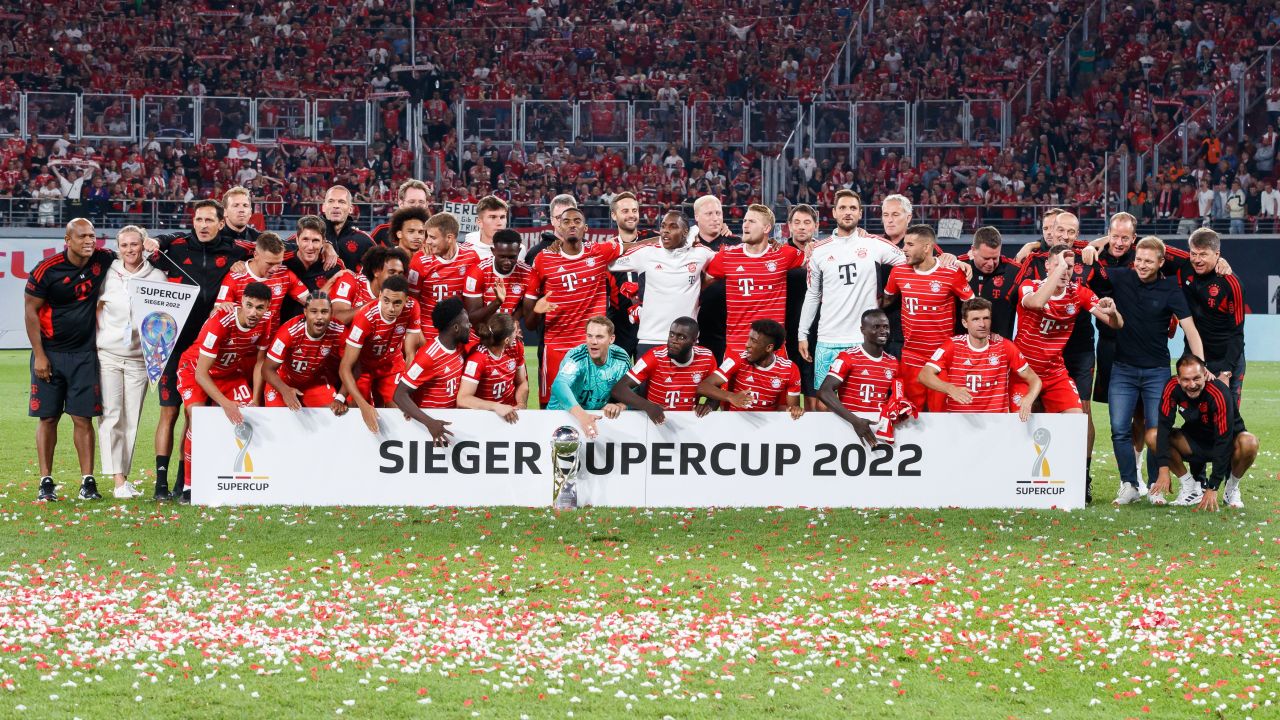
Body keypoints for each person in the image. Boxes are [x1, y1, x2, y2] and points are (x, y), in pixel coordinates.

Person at [148, 199, 249, 500]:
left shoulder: (236, 251)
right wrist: (157, 240)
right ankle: (160, 483)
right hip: (173, 346)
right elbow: (148, 248)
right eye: (198, 220)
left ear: (221, 222)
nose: (203, 226)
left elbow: (270, 249)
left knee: (196, 416)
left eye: (209, 220)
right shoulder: (176, 247)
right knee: (169, 412)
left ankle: (184, 481)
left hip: (209, 350)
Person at [1107, 236, 1206, 505]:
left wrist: (1201, 366)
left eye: (1148, 261)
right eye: (1138, 259)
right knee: (1119, 429)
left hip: (1157, 372)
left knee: (1157, 430)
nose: (1141, 265)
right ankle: (1129, 484)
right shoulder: (1121, 278)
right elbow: (1087, 265)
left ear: (1161, 263)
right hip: (1123, 369)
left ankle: (1154, 487)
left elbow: (1190, 330)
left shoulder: (1171, 289)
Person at [26, 218, 115, 502]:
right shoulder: (46, 270)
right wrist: (40, 355)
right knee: (48, 417)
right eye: (82, 236)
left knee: (83, 417)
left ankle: (88, 481)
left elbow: (133, 258)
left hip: (84, 354)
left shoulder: (103, 259)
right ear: (67, 240)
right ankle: (45, 481)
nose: (89, 241)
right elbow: (30, 311)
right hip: (50, 354)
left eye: (92, 236)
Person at [799, 191, 906, 394]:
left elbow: (908, 260)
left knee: (863, 400)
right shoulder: (818, 250)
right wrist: (802, 334)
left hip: (864, 339)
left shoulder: (874, 244)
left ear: (860, 213)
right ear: (834, 212)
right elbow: (812, 295)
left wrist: (948, 258)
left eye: (853, 208)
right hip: (828, 338)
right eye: (843, 208)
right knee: (824, 401)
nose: (848, 212)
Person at [175, 282, 273, 503]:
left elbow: (260, 363)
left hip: (229, 374)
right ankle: (189, 486)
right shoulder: (220, 321)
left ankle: (240, 479)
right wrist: (225, 403)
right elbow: (201, 373)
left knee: (250, 418)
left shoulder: (266, 322)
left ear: (267, 307)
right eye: (249, 305)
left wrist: (256, 398)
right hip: (195, 370)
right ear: (242, 302)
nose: (253, 312)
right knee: (197, 418)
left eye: (259, 307)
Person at [524, 207, 623, 407]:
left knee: (593, 405)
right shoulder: (543, 259)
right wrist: (536, 310)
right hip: (556, 348)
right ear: (559, 227)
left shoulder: (598, 252)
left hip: (591, 348)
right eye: (566, 221)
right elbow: (530, 323)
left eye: (577, 221)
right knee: (551, 406)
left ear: (585, 228)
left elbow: (633, 245)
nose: (572, 225)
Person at [95, 225, 167, 499]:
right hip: (108, 355)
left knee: (131, 420)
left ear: (143, 245)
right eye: (124, 245)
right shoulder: (108, 274)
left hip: (140, 359)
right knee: (111, 416)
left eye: (134, 244)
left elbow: (166, 316)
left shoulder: (157, 276)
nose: (129, 250)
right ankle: (118, 481)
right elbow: (95, 307)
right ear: (118, 248)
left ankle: (123, 480)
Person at [881, 224, 974, 411]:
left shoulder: (951, 273)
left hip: (941, 357)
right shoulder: (898, 272)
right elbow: (885, 301)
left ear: (926, 247)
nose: (904, 249)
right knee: (908, 412)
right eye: (905, 244)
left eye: (910, 244)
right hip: (911, 355)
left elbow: (972, 307)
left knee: (940, 414)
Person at [1148, 355, 1258, 510]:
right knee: (1152, 435)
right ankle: (1190, 488)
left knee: (1250, 442)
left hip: (1227, 446)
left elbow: (1224, 439)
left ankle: (1231, 489)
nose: (1192, 385)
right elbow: (1164, 426)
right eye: (1186, 380)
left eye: (1196, 378)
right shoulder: (1172, 386)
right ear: (1178, 379)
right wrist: (1163, 468)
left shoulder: (1219, 392)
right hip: (1194, 443)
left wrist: (1213, 486)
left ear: (1205, 375)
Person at [609, 211, 715, 358]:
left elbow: (726, 265)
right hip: (650, 339)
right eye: (663, 226)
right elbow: (609, 263)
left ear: (685, 232)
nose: (665, 230)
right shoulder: (646, 253)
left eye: (673, 226)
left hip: (686, 339)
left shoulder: (701, 253)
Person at [704, 204, 804, 358]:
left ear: (766, 228)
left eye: (752, 221)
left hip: (772, 351)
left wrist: (810, 245)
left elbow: (815, 258)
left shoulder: (783, 254)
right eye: (745, 220)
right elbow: (702, 285)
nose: (745, 225)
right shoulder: (727, 255)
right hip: (737, 349)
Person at [918, 298, 1042, 419]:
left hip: (996, 421)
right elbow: (924, 375)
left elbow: (1035, 380)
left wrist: (1029, 398)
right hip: (959, 420)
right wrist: (950, 389)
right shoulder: (952, 346)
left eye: (986, 318)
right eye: (976, 319)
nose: (982, 324)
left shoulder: (1005, 346)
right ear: (964, 323)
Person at [340, 274, 423, 428]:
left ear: (406, 300)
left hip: (391, 364)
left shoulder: (413, 307)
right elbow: (345, 367)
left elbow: (411, 353)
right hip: (363, 368)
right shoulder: (365, 317)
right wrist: (363, 406)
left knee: (400, 411)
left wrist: (405, 393)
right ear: (379, 296)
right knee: (356, 411)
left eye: (397, 303)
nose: (390, 308)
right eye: (386, 301)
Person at [817, 309, 903, 447]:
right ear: (863, 330)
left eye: (886, 327)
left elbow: (897, 398)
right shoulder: (848, 357)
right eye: (876, 327)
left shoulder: (893, 362)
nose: (883, 331)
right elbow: (824, 392)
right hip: (849, 427)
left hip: (878, 431)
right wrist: (855, 421)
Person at [611, 316, 719, 424]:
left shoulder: (706, 358)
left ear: (694, 341)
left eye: (681, 337)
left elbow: (717, 391)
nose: (673, 341)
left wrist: (710, 404)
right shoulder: (654, 356)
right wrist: (648, 406)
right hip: (656, 422)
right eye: (671, 335)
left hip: (689, 423)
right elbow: (618, 389)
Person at [393, 297, 471, 441]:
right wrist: (430, 423)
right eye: (467, 322)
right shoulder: (428, 356)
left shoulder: (460, 346)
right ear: (456, 328)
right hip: (431, 428)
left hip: (452, 423)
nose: (470, 325)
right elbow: (399, 394)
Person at [1182, 228, 1245, 402]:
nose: (1197, 260)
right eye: (1193, 253)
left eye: (1203, 254)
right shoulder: (1184, 265)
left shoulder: (1231, 284)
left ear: (1217, 254)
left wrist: (1226, 372)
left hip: (1226, 359)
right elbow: (1153, 247)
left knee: (1228, 414)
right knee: (1193, 413)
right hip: (1194, 355)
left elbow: (1237, 333)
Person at [696, 318, 804, 419]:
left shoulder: (789, 370)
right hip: (734, 422)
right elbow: (702, 386)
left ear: (769, 347)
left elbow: (792, 409)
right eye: (748, 338)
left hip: (767, 425)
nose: (747, 344)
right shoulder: (737, 359)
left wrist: (796, 410)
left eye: (753, 341)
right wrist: (731, 396)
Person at [262, 292, 349, 414]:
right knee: (280, 421)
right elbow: (266, 370)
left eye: (324, 312)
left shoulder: (339, 330)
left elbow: (353, 367)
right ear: (305, 312)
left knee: (332, 415)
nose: (319, 317)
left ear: (331, 313)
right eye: (314, 311)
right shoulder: (288, 332)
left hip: (315, 381)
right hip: (283, 381)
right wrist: (285, 390)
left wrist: (340, 397)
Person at [546, 316, 631, 439]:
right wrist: (583, 416)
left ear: (611, 339)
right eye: (589, 336)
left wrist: (619, 406)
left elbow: (633, 392)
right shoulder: (577, 357)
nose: (593, 342)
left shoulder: (621, 359)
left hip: (592, 420)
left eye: (599, 337)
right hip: (561, 417)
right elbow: (559, 385)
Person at [215, 232, 310, 337]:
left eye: (279, 263)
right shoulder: (235, 277)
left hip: (270, 342)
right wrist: (221, 308)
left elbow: (310, 301)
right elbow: (215, 315)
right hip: (238, 342)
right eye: (270, 264)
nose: (275, 269)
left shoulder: (285, 274)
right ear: (256, 255)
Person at [407, 211, 481, 343]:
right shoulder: (420, 261)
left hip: (461, 333)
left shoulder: (471, 257)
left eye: (432, 237)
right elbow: (412, 302)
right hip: (429, 335)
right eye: (427, 236)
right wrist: (418, 335)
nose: (427, 241)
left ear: (449, 238)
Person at [688, 194, 741, 361]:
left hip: (729, 324)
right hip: (695, 321)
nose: (715, 218)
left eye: (718, 213)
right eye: (709, 214)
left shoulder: (736, 244)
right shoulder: (687, 246)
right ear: (697, 217)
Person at [458, 312, 528, 421]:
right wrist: (496, 407)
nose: (518, 333)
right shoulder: (477, 358)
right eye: (515, 331)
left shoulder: (516, 347)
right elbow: (463, 399)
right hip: (484, 418)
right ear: (506, 340)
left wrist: (521, 404)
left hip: (511, 415)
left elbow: (522, 382)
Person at [956, 226, 1021, 338]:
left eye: (995, 258)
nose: (991, 264)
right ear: (973, 250)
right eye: (986, 258)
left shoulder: (1015, 272)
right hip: (961, 344)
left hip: (1000, 345)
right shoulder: (957, 267)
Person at [463, 228, 532, 328]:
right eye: (502, 257)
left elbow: (529, 322)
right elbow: (472, 319)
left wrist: (510, 326)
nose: (507, 262)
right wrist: (497, 302)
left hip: (509, 333)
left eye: (512, 257)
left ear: (519, 251)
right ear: (493, 251)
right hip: (480, 333)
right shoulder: (477, 272)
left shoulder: (528, 274)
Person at [329, 245, 410, 325]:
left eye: (400, 273)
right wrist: (378, 302)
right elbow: (338, 318)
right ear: (376, 271)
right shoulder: (350, 280)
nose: (397, 278)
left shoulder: (400, 297)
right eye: (392, 272)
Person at [320, 184, 375, 272]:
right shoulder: (308, 237)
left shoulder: (364, 240)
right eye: (331, 201)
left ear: (350, 209)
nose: (336, 206)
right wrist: (324, 244)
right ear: (323, 207)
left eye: (341, 202)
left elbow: (378, 272)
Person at [371, 179, 431, 247]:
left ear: (426, 205)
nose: (417, 206)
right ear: (401, 204)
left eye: (421, 202)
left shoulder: (434, 234)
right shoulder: (382, 232)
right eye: (412, 202)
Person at [461, 194, 509, 260]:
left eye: (502, 217)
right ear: (479, 222)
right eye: (493, 217)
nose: (499, 223)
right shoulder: (466, 249)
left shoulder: (518, 250)